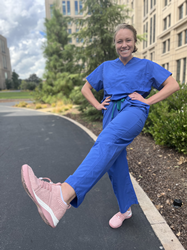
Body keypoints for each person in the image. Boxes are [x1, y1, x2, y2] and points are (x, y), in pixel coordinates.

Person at [21, 23, 180, 229]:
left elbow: (173, 84)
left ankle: (62, 196)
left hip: (133, 109)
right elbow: (86, 87)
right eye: (119, 41)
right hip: (110, 113)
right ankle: (125, 210)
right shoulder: (106, 66)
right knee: (115, 164)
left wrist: (147, 101)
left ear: (135, 43)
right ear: (115, 44)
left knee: (106, 141)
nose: (124, 44)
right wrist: (97, 104)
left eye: (128, 40)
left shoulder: (146, 65)